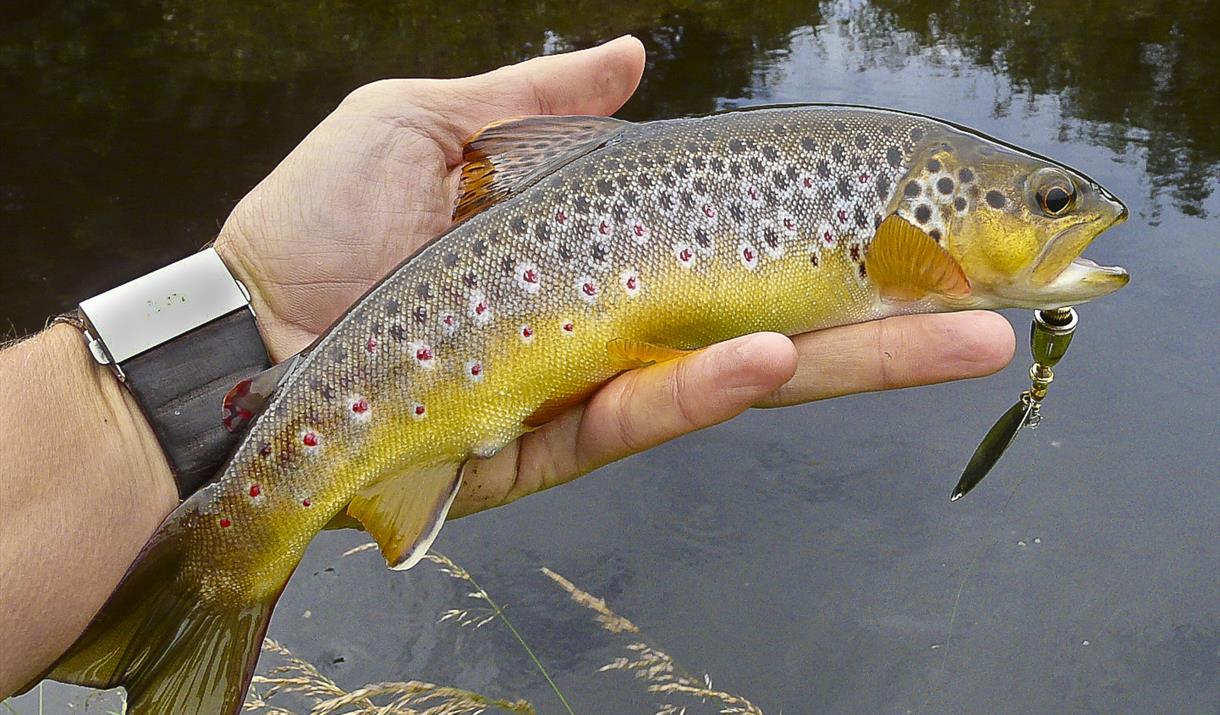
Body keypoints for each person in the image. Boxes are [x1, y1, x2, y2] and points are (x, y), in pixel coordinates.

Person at [0, 35, 1014, 696]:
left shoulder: (905, 226)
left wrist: (209, 347)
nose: (1072, 221)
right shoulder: (909, 234)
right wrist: (253, 306)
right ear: (929, 215)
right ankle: (218, 560)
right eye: (1047, 204)